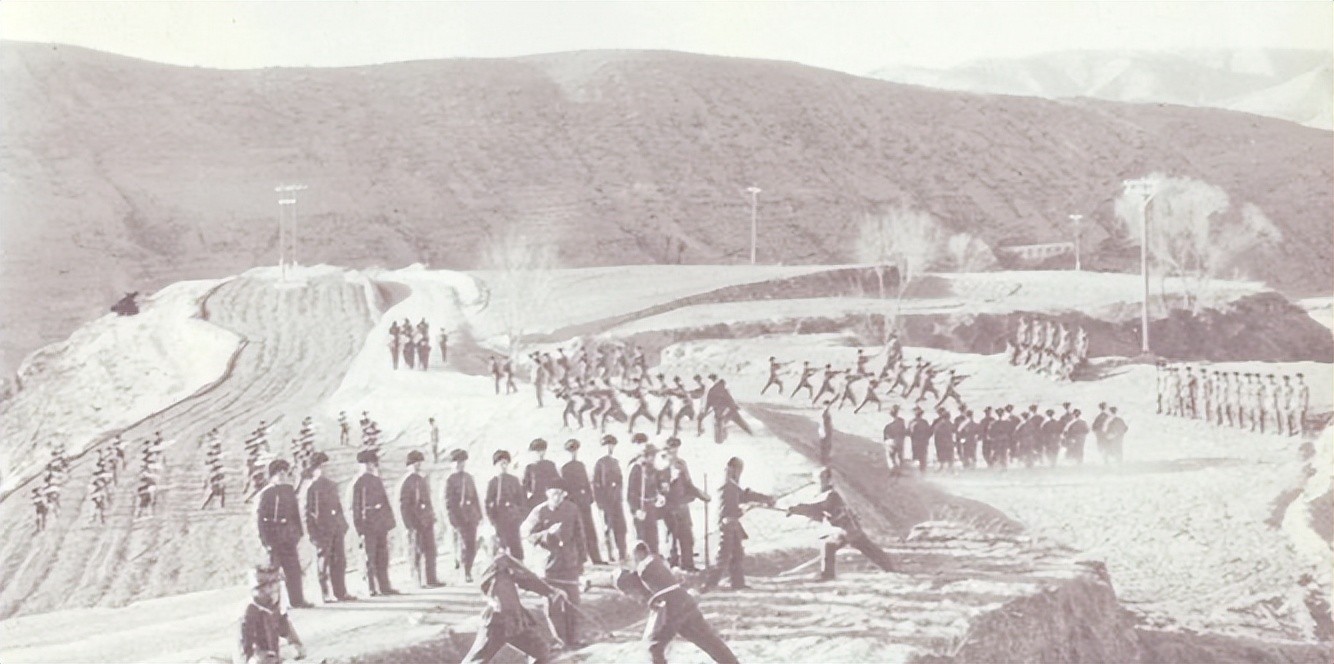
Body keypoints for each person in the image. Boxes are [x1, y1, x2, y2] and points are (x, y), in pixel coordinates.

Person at [612, 541, 740, 664]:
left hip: (672, 609)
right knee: (708, 640)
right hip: (686, 601)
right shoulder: (657, 562)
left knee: (653, 647)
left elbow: (634, 583)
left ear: (638, 554)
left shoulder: (644, 568)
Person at [460, 537, 567, 664]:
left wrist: (550, 591)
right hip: (500, 620)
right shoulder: (499, 561)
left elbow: (524, 578)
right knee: (477, 659)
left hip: (512, 619)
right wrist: (550, 591)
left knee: (540, 650)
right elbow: (526, 577)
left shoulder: (489, 564)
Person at [786, 467, 896, 579]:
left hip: (846, 530)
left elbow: (817, 507)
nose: (818, 482)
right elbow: (818, 513)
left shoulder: (830, 495)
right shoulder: (825, 495)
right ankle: (889, 567)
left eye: (821, 479)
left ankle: (828, 575)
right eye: (817, 479)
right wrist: (797, 511)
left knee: (841, 546)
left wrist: (796, 509)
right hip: (846, 529)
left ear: (828, 480)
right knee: (864, 548)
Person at [521, 485, 587, 648]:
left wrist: (581, 560)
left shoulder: (572, 509)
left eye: (560, 493)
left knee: (573, 603)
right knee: (553, 606)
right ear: (547, 493)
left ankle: (574, 638)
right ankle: (559, 640)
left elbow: (580, 535)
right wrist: (547, 534)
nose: (557, 497)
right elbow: (527, 535)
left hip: (569, 563)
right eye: (553, 493)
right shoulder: (539, 512)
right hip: (549, 565)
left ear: (564, 494)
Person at [702, 456, 773, 591]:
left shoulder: (730, 483)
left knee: (737, 554)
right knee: (723, 556)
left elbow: (744, 496)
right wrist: (749, 506)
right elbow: (733, 506)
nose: (740, 473)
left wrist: (765, 499)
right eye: (740, 469)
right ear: (733, 469)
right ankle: (709, 585)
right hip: (726, 524)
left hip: (732, 523)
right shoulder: (727, 485)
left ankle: (737, 583)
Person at [257, 459, 312, 608]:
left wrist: (298, 533)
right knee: (273, 574)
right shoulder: (267, 493)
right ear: (272, 476)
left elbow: (295, 514)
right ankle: (272, 604)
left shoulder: (288, 491)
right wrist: (265, 541)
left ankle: (297, 600)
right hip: (273, 537)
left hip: (288, 537)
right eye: (278, 473)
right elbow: (260, 519)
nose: (282, 476)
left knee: (294, 570)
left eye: (284, 473)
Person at [304, 452, 354, 603]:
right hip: (321, 531)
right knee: (323, 564)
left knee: (339, 561)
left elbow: (338, 507)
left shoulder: (331, 485)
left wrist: (343, 525)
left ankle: (341, 592)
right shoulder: (311, 487)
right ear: (316, 469)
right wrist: (312, 533)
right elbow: (307, 513)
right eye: (323, 466)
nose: (327, 469)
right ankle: (325, 594)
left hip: (336, 529)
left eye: (327, 466)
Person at [236, 564, 307, 664]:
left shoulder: (274, 609)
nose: (274, 590)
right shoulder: (249, 613)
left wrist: (293, 648)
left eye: (275, 584)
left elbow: (292, 638)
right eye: (268, 586)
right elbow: (244, 654)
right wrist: (260, 658)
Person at [351, 449, 399, 596]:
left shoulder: (377, 481)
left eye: (371, 464)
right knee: (368, 557)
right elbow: (355, 508)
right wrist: (359, 528)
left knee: (382, 557)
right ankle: (370, 587)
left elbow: (385, 502)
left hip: (380, 525)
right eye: (366, 464)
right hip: (367, 526)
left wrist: (390, 523)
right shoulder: (358, 483)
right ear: (360, 465)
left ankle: (384, 586)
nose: (369, 466)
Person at [659, 440, 709, 571]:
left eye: (676, 450)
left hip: (683, 506)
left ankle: (688, 565)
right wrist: (671, 479)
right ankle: (672, 566)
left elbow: (689, 485)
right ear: (666, 452)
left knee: (687, 536)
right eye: (671, 450)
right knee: (672, 538)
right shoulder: (661, 468)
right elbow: (660, 491)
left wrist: (701, 495)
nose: (674, 453)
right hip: (669, 508)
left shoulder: (681, 465)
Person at [560, 438, 607, 565]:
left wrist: (590, 498)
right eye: (571, 451)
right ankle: (580, 559)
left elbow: (586, 483)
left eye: (575, 451)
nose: (573, 454)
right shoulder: (565, 468)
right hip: (574, 503)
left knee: (590, 530)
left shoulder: (581, 465)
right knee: (577, 531)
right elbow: (564, 487)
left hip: (585, 503)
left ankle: (596, 558)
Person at [400, 450, 441, 588]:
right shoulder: (406, 482)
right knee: (416, 552)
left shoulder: (421, 480)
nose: (417, 466)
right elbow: (404, 506)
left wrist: (431, 516)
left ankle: (431, 579)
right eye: (414, 463)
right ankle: (417, 580)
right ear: (409, 465)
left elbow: (427, 501)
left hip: (426, 521)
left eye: (419, 463)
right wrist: (409, 524)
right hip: (415, 523)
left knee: (430, 550)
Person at [444, 449, 483, 582]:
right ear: (452, 464)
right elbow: (448, 502)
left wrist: (479, 514)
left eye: (462, 462)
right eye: (457, 462)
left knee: (471, 544)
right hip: (459, 517)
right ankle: (465, 571)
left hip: (471, 516)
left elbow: (475, 497)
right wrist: (452, 519)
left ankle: (468, 568)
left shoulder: (469, 478)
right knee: (464, 545)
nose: (460, 465)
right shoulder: (449, 480)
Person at [591, 434, 628, 563]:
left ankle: (622, 553)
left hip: (617, 501)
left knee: (621, 527)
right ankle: (610, 554)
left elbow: (620, 481)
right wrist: (600, 503)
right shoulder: (600, 463)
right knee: (608, 528)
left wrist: (619, 495)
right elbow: (596, 484)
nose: (609, 448)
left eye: (611, 446)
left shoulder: (615, 462)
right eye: (607, 446)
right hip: (606, 502)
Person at [486, 450, 527, 561]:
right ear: (495, 466)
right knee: (501, 549)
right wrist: (492, 520)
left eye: (505, 463)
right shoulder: (493, 483)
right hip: (499, 521)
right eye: (501, 464)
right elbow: (488, 503)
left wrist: (519, 516)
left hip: (513, 520)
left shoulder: (514, 481)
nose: (503, 466)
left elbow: (521, 500)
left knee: (516, 549)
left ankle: (519, 568)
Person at [626, 435, 662, 554]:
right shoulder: (636, 469)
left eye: (654, 455)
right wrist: (635, 510)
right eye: (652, 455)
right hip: (641, 509)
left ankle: (654, 560)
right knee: (642, 539)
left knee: (653, 538)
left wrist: (659, 496)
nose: (654, 458)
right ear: (646, 456)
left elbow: (657, 487)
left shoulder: (653, 470)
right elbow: (630, 494)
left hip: (651, 508)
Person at [523, 439, 562, 511]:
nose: (539, 454)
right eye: (536, 452)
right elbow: (526, 486)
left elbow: (557, 483)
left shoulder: (550, 465)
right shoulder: (530, 468)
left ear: (544, 451)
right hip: (535, 500)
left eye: (541, 451)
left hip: (549, 500)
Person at [882, 404, 907, 473]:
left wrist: (885, 440)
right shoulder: (901, 421)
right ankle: (900, 469)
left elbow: (885, 432)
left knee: (890, 456)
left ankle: (893, 468)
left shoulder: (887, 421)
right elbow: (904, 431)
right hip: (899, 440)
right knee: (900, 456)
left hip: (890, 440)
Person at [931, 407, 956, 472]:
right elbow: (954, 429)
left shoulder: (937, 421)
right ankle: (950, 468)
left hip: (939, 440)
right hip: (947, 440)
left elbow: (932, 430)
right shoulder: (948, 421)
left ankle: (943, 467)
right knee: (949, 454)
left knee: (941, 453)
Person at [908, 407, 932, 473]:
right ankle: (922, 470)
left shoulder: (912, 422)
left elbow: (908, 432)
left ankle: (919, 471)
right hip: (923, 442)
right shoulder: (925, 422)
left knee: (916, 456)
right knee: (923, 457)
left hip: (916, 442)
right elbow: (929, 432)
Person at [818, 400, 835, 465]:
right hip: (825, 430)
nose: (827, 407)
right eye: (826, 405)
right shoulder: (824, 413)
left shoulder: (826, 413)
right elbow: (822, 423)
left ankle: (825, 458)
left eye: (828, 405)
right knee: (825, 445)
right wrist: (823, 431)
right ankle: (824, 459)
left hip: (827, 430)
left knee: (827, 445)